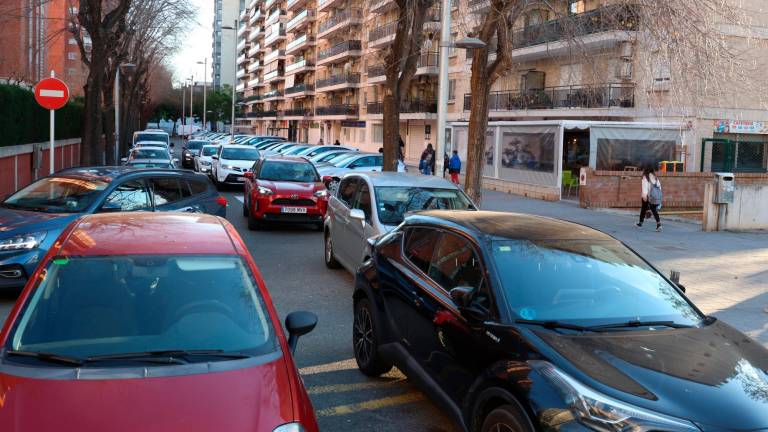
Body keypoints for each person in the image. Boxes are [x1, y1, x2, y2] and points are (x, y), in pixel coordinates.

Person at [637, 167, 662, 232]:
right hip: (655, 197)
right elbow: (659, 187)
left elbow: (645, 187)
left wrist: (644, 196)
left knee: (643, 208)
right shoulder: (656, 178)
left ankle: (640, 223)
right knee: (654, 210)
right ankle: (658, 224)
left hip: (648, 196)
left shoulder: (645, 178)